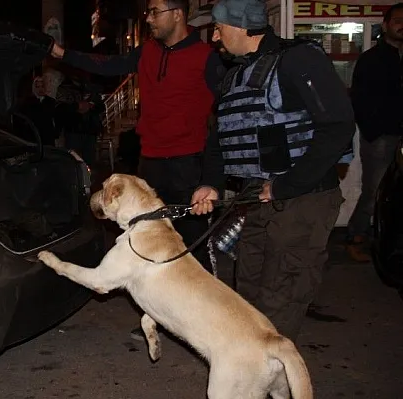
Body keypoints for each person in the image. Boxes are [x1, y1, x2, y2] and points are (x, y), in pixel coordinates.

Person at [50, 0, 224, 342]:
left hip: (189, 163)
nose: (148, 19)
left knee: (190, 250)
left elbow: (222, 120)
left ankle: (208, 323)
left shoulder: (207, 58)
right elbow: (105, 63)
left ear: (178, 13)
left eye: (155, 11)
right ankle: (157, 316)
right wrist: (61, 53)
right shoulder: (146, 53)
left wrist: (211, 180)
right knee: (144, 245)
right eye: (147, 12)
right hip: (151, 164)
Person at [190, 0, 356, 342]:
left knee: (280, 301)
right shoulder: (235, 74)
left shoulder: (298, 59)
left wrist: (287, 186)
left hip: (302, 200)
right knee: (248, 299)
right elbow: (220, 136)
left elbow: (338, 126)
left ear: (240, 26)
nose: (215, 37)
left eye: (219, 28)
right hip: (256, 200)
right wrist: (211, 183)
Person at [345, 3, 403, 262]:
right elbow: (360, 99)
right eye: (398, 20)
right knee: (375, 190)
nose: (402, 25)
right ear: (386, 25)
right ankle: (357, 237)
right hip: (381, 136)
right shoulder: (371, 59)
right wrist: (374, 131)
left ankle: (390, 243)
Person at [55, 73, 106, 165]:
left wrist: (91, 106)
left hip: (90, 129)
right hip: (73, 130)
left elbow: (101, 106)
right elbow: (60, 108)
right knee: (74, 160)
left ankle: (89, 178)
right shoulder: (64, 88)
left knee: (89, 161)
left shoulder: (91, 87)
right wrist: (76, 106)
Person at [18, 76, 60, 146]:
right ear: (34, 88)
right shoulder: (28, 102)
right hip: (34, 137)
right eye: (38, 87)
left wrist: (55, 133)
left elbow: (56, 118)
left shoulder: (50, 101)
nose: (40, 89)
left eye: (42, 86)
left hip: (48, 137)